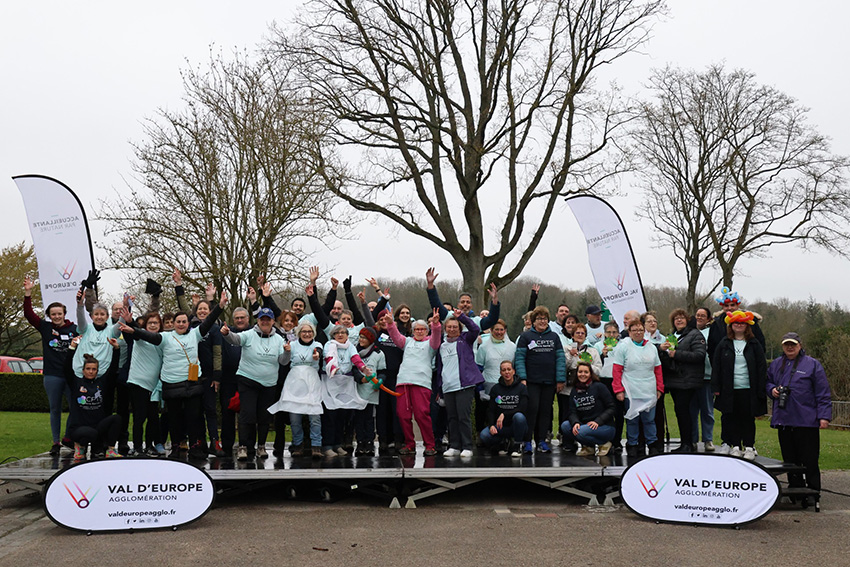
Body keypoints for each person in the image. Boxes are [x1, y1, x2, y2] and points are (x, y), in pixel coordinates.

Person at [130, 290, 226, 459]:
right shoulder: (166, 337)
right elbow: (147, 335)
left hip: (192, 384)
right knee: (174, 419)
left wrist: (220, 306)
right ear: (173, 324)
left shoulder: (196, 334)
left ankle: (195, 447)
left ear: (188, 323)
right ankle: (176, 447)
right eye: (178, 322)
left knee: (194, 418)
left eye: (184, 321)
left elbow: (210, 321)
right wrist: (132, 326)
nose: (181, 324)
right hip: (172, 385)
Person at [221, 307, 289, 461]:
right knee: (248, 414)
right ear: (258, 321)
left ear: (272, 321)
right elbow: (235, 340)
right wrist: (226, 334)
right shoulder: (249, 334)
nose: (265, 322)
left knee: (264, 417)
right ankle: (243, 447)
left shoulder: (279, 339)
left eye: (268, 319)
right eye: (262, 319)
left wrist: (287, 352)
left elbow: (283, 361)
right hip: (248, 380)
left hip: (269, 383)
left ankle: (261, 447)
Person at [767, 332, 832, 494]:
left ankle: (813, 490)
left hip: (806, 421)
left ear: (800, 346)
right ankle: (795, 489)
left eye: (793, 344)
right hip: (784, 420)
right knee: (790, 460)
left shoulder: (813, 365)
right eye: (786, 344)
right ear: (782, 346)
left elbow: (822, 392)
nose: (790, 347)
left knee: (810, 459)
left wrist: (824, 416)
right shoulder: (776, 364)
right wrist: (772, 390)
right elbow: (767, 382)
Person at [23, 276, 79, 455]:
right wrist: (28, 293)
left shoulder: (75, 329)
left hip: (71, 375)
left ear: (64, 314)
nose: (56, 316)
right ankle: (56, 442)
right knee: (55, 409)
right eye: (53, 314)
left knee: (76, 407)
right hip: (52, 375)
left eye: (59, 313)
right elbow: (29, 315)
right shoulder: (46, 328)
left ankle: (68, 438)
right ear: (49, 315)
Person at [711, 310, 767, 460]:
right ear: (731, 325)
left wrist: (761, 388)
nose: (739, 326)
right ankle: (735, 445)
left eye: (742, 323)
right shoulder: (724, 344)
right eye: (736, 323)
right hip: (729, 389)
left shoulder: (754, 344)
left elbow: (761, 367)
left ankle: (749, 446)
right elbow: (716, 366)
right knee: (732, 417)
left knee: (748, 418)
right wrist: (716, 387)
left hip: (749, 388)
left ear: (747, 326)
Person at [385, 309, 441, 456]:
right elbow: (396, 336)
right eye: (417, 329)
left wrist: (436, 325)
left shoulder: (430, 344)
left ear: (427, 331)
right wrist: (390, 324)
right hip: (403, 382)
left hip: (421, 382)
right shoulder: (407, 342)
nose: (419, 331)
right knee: (402, 415)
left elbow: (436, 340)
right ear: (413, 330)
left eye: (423, 329)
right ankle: (410, 444)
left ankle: (430, 445)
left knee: (422, 414)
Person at [514, 306, 567, 453]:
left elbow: (560, 359)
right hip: (531, 382)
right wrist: (522, 378)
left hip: (549, 382)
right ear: (533, 321)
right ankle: (527, 441)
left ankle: (541, 440)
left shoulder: (554, 337)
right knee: (532, 410)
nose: (542, 321)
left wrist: (560, 379)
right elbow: (519, 359)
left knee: (545, 412)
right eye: (539, 319)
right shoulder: (525, 337)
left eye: (544, 319)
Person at [268, 322, 324, 459]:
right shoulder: (292, 345)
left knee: (315, 416)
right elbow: (283, 362)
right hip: (294, 383)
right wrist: (286, 352)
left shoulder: (317, 345)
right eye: (304, 331)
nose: (307, 334)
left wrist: (317, 356)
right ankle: (297, 445)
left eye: (309, 331)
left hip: (311, 383)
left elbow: (318, 353)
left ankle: (316, 446)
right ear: (299, 333)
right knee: (295, 418)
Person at [434, 310, 485, 458]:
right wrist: (440, 388)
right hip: (448, 386)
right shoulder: (441, 346)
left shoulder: (465, 340)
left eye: (455, 326)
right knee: (452, 417)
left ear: (460, 328)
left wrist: (461, 317)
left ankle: (467, 446)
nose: (452, 329)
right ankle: (454, 445)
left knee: (464, 417)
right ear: (445, 329)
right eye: (449, 327)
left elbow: (475, 328)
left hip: (464, 385)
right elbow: (440, 368)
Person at [611, 319, 664, 459]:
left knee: (649, 420)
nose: (638, 333)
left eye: (640, 330)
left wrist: (660, 388)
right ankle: (632, 445)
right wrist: (618, 390)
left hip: (649, 389)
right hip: (631, 390)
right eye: (634, 330)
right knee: (632, 420)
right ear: (629, 332)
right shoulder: (623, 347)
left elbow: (658, 370)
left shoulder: (652, 347)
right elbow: (617, 370)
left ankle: (652, 444)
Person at [63, 336, 123, 460]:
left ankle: (110, 449)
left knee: (116, 419)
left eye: (94, 369)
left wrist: (116, 349)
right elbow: (66, 368)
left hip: (97, 425)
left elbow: (113, 369)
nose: (91, 372)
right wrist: (72, 347)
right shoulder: (76, 382)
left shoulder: (101, 383)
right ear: (83, 370)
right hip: (78, 428)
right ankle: (80, 446)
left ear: (97, 371)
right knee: (91, 434)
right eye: (88, 369)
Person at [658, 309, 706, 453]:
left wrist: (676, 354)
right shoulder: (672, 336)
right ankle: (685, 442)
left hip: (688, 381)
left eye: (681, 318)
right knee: (680, 411)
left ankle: (688, 443)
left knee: (684, 411)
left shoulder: (695, 334)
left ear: (687, 320)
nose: (679, 321)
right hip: (674, 381)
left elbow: (699, 355)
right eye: (676, 319)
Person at [119, 311, 165, 456]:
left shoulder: (162, 339)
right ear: (145, 325)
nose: (152, 325)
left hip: (153, 386)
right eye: (150, 323)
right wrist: (131, 321)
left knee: (153, 418)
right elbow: (135, 332)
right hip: (138, 383)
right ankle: (138, 447)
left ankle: (150, 445)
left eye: (155, 323)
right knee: (139, 417)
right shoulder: (139, 337)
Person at [559, 361, 616, 457]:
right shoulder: (574, 390)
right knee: (565, 426)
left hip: (604, 426)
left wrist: (598, 421)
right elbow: (572, 411)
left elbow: (611, 407)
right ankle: (589, 447)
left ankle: (604, 443)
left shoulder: (599, 387)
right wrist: (575, 422)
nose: (583, 375)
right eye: (580, 372)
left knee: (581, 432)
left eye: (586, 372)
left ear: (590, 374)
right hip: (585, 425)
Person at [559, 323, 602, 450]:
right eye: (577, 333)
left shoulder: (592, 351)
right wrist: (571, 356)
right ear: (572, 335)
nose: (580, 335)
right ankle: (568, 442)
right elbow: (563, 367)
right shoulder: (566, 349)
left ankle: (586, 443)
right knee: (567, 415)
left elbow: (598, 370)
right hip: (568, 388)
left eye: (582, 333)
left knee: (586, 415)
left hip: (586, 390)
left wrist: (586, 365)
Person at [473, 319, 516, 439]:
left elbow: (514, 366)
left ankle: (506, 437)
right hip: (488, 383)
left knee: (503, 411)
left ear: (505, 331)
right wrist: (480, 388)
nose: (499, 332)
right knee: (484, 411)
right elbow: (479, 367)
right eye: (496, 329)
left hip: (506, 384)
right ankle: (480, 435)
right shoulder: (484, 347)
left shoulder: (512, 347)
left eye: (501, 329)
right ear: (491, 331)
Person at [479, 361, 528, 457]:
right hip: (501, 426)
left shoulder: (522, 388)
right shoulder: (496, 389)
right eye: (504, 370)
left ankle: (517, 445)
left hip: (517, 425)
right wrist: (491, 425)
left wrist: (504, 414)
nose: (507, 372)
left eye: (509, 369)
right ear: (500, 373)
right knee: (484, 435)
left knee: (519, 416)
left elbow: (522, 409)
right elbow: (491, 409)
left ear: (513, 371)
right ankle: (502, 442)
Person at [353, 326, 386, 456]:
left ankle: (370, 442)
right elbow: (353, 369)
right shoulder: (354, 352)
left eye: (364, 337)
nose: (361, 339)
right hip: (358, 389)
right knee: (359, 418)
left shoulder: (378, 354)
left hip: (371, 391)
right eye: (360, 337)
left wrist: (380, 380)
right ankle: (360, 442)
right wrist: (361, 378)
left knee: (369, 418)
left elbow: (383, 371)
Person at [707, 287, 765, 358]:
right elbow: (711, 347)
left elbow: (760, 344)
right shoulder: (716, 323)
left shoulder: (750, 321)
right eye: (726, 306)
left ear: (738, 305)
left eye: (732, 305)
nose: (729, 308)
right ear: (722, 307)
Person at [595, 322, 625, 450]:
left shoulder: (623, 346)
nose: (611, 335)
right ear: (605, 333)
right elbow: (594, 364)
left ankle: (617, 441)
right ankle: (605, 441)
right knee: (604, 412)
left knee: (619, 412)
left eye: (614, 332)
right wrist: (603, 355)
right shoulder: (598, 346)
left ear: (618, 333)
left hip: (618, 381)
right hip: (603, 381)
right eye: (609, 332)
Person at [690, 307, 716, 451]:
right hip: (692, 377)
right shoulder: (690, 332)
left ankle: (708, 440)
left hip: (707, 376)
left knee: (707, 411)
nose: (699, 317)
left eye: (703, 316)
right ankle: (693, 439)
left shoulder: (711, 332)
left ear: (708, 319)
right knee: (692, 411)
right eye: (697, 315)